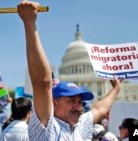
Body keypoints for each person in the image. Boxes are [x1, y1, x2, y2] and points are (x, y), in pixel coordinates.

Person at [17, 1, 124, 141]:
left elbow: (99, 110)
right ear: (54, 103)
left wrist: (116, 89)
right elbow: (42, 83)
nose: (78, 106)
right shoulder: (47, 127)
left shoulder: (79, 126)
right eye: (71, 100)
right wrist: (29, 23)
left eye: (80, 102)